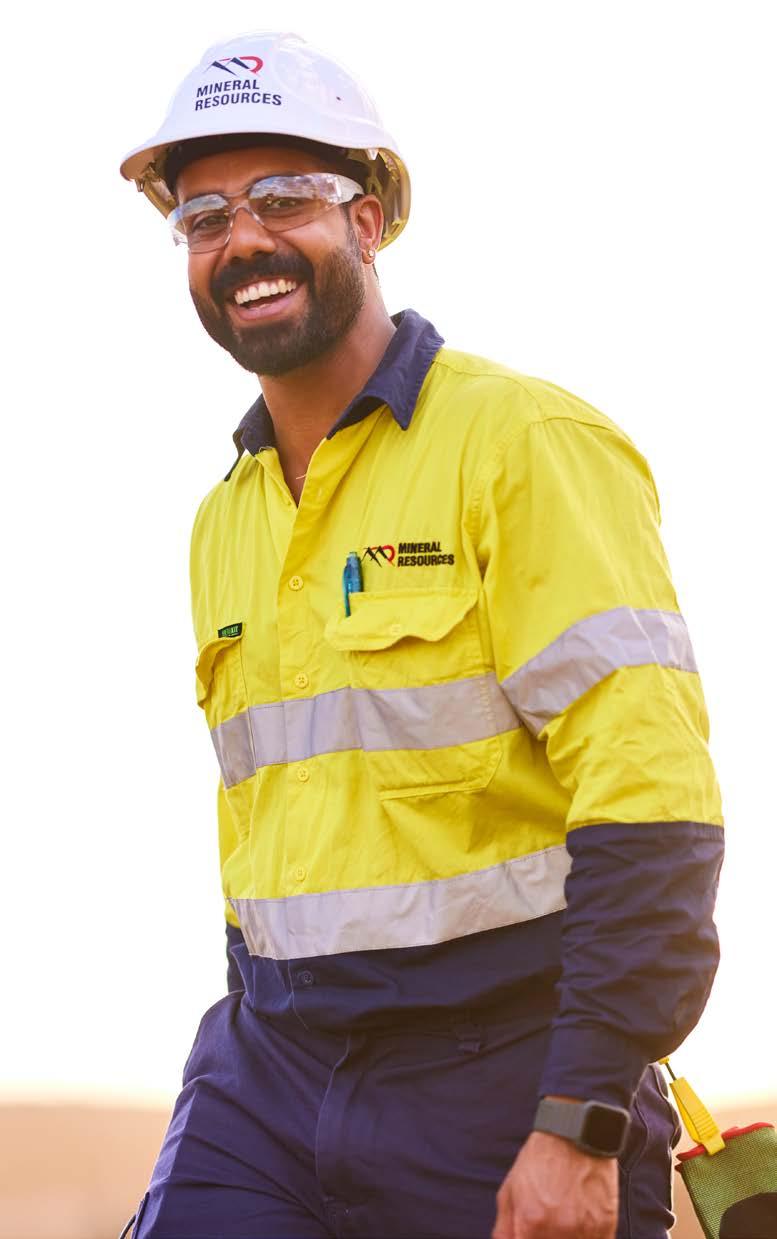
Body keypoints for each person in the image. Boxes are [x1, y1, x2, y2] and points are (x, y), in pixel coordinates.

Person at [120, 31, 724, 1239]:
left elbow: (654, 809)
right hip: (268, 1074)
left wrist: (583, 1113)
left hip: (503, 1072)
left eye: (282, 199)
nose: (242, 240)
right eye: (204, 217)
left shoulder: (525, 444)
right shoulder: (224, 518)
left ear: (369, 219)